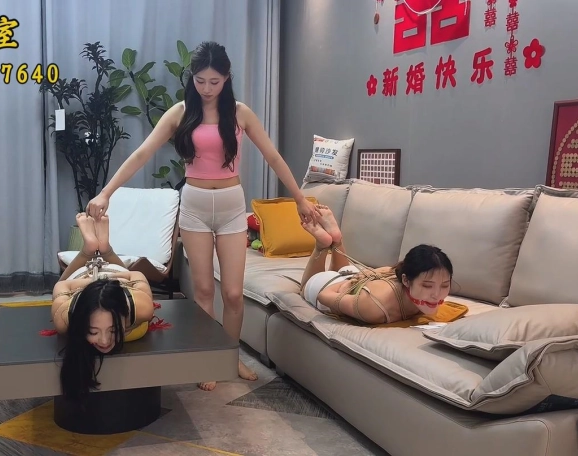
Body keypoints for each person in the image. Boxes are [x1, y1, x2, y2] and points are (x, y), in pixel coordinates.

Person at [86, 41, 318, 391]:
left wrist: (299, 198)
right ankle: (208, 358)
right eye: (200, 81)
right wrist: (106, 192)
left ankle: (229, 356)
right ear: (191, 78)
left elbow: (272, 156)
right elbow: (142, 154)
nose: (207, 89)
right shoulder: (180, 113)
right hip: (194, 205)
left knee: (234, 294)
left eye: (214, 82)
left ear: (227, 78)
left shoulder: (240, 113)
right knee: (205, 290)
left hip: (230, 205)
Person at [51, 212, 155, 402]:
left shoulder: (139, 307)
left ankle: (93, 249)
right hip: (84, 278)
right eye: (93, 331)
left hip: (112, 277)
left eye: (114, 330)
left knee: (62, 282)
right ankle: (97, 248)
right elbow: (62, 286)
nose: (105, 341)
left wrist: (110, 279)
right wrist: (91, 282)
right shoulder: (67, 317)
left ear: (125, 317)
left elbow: (61, 286)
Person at [299, 204, 454, 324]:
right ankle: (322, 244)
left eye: (445, 285)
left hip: (354, 276)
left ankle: (336, 240)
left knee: (346, 272)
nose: (437, 294)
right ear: (406, 281)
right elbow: (323, 295)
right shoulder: (374, 307)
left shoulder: (406, 280)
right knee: (304, 288)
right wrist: (349, 282)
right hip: (329, 285)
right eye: (427, 286)